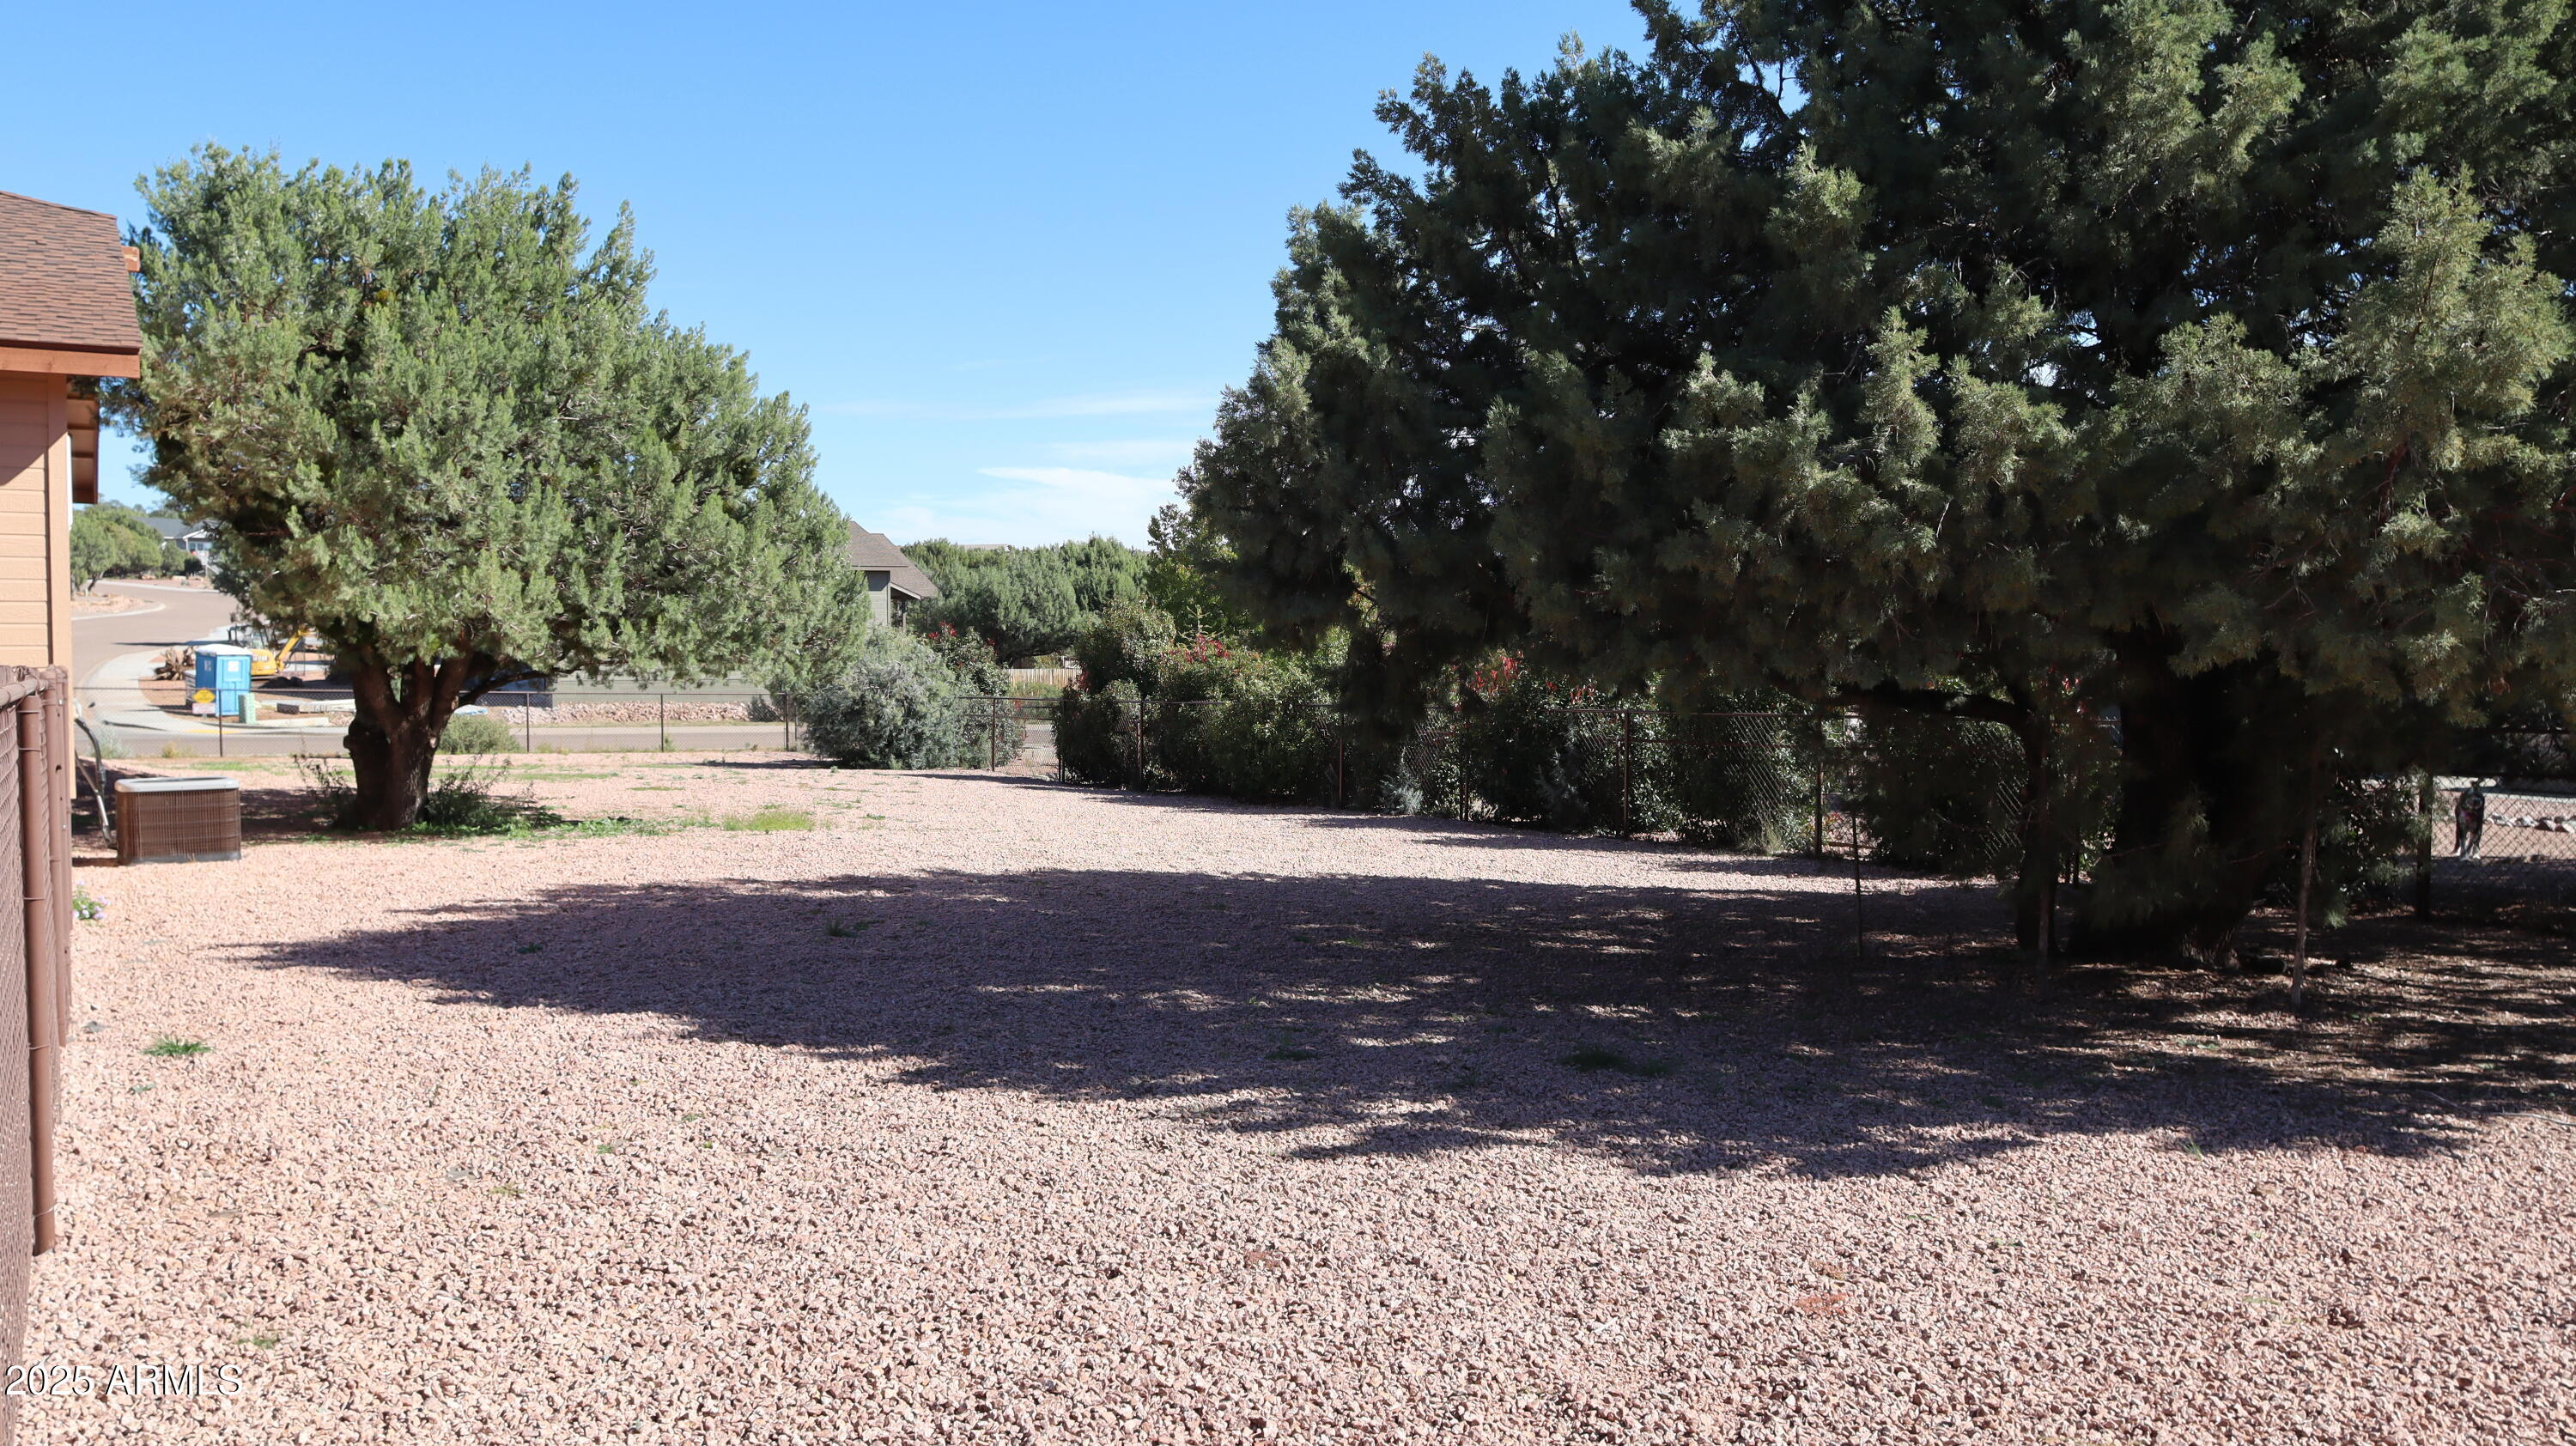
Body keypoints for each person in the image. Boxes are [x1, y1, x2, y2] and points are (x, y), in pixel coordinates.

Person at [2455, 781, 2487, 860]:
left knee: (2477, 831)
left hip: (2476, 814)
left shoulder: (2480, 800)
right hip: (2464, 812)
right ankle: (2462, 849)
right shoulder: (2464, 801)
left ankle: (2475, 850)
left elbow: (2477, 830)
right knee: (2462, 830)